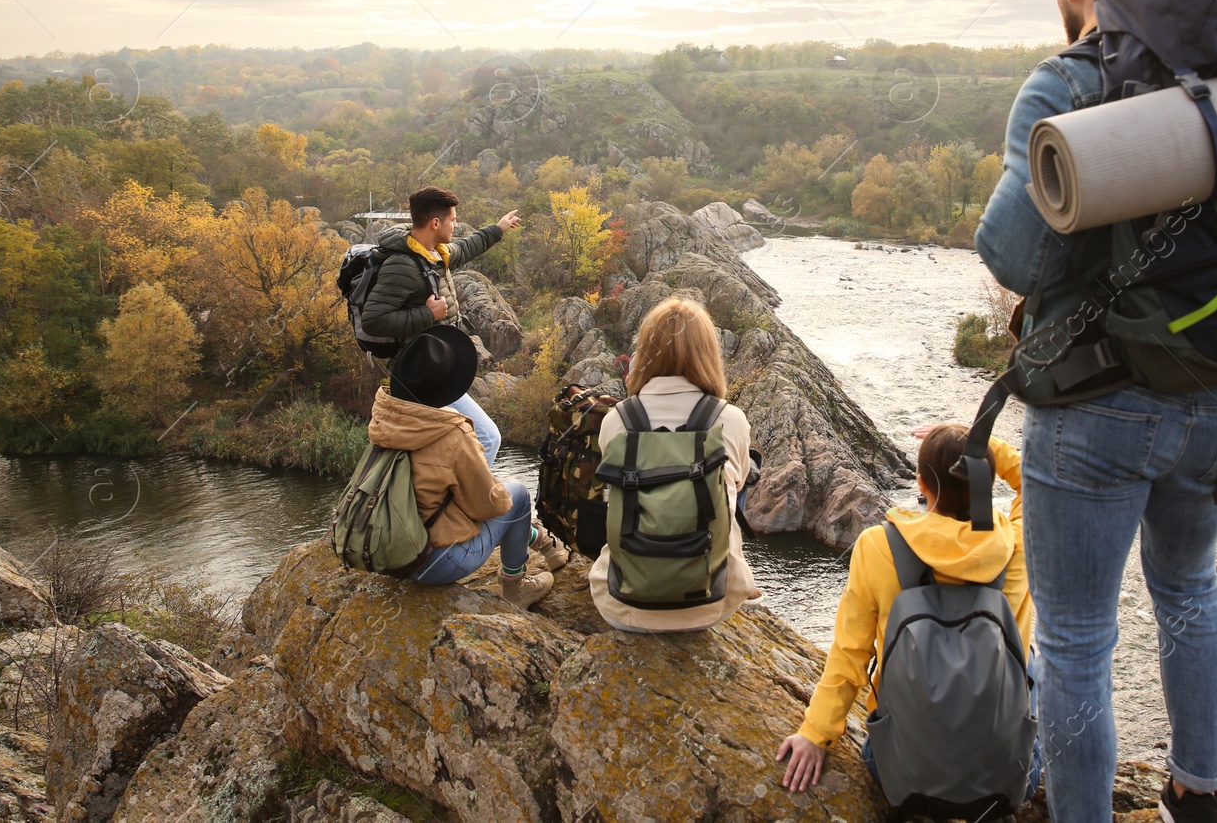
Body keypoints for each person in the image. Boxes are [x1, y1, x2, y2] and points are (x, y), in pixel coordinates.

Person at [975, 0, 1217, 823]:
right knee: (1191, 589)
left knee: (1082, 638)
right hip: (1215, 388)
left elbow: (1013, 252)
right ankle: (1198, 793)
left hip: (1095, 406)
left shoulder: (1068, 79)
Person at [776, 426, 1037, 796]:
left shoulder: (878, 545)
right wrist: (982, 441)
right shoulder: (1017, 544)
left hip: (900, 770)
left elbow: (850, 654)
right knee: (1032, 660)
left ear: (921, 484)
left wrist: (815, 734)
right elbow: (1034, 478)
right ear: (987, 481)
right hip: (1003, 776)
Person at [588, 297, 760, 632]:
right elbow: (735, 489)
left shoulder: (617, 421)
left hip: (622, 605)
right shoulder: (730, 420)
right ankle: (735, 570)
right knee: (739, 475)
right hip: (710, 605)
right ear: (708, 354)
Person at [367, 325, 568, 607]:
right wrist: (503, 500)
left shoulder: (385, 422)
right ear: (449, 389)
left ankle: (534, 537)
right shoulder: (452, 434)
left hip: (388, 554)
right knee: (518, 497)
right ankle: (515, 586)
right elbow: (487, 506)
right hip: (434, 564)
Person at [361, 185, 522, 466]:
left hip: (434, 370)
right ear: (436, 223)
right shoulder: (403, 264)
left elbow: (465, 247)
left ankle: (444, 503)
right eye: (453, 219)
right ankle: (466, 505)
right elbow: (373, 321)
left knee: (446, 450)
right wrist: (427, 314)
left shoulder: (434, 254)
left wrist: (498, 228)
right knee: (486, 437)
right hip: (418, 375)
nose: (456, 224)